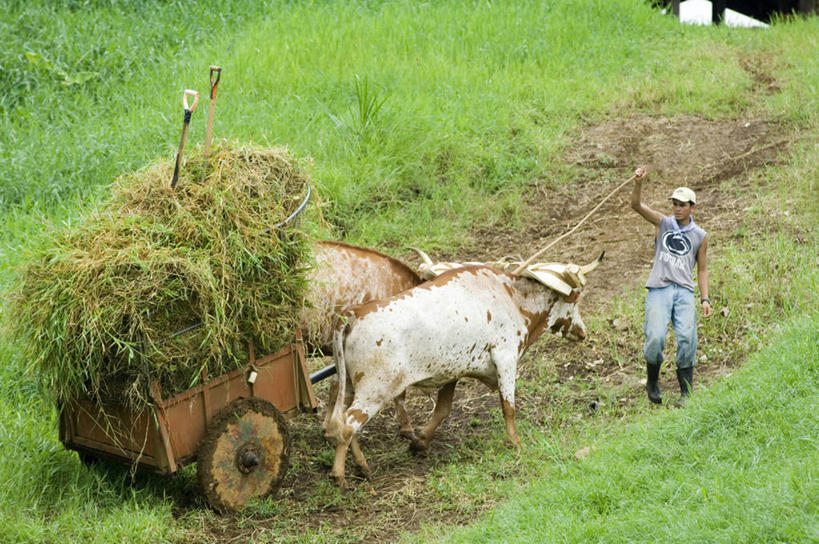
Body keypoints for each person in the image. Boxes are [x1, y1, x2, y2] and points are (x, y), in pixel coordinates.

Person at [630, 166, 712, 404]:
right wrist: (638, 183)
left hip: (684, 291)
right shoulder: (663, 223)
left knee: (687, 338)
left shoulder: (700, 235)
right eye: (675, 203)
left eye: (682, 204)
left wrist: (705, 298)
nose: (677, 208)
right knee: (655, 337)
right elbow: (636, 206)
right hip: (660, 288)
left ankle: (686, 392)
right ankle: (652, 381)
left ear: (692, 208)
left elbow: (703, 269)